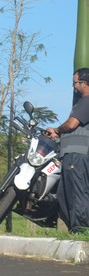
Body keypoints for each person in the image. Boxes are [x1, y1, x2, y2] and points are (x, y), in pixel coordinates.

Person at [45, 68, 89, 232]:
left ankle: (81, 229)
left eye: (75, 82)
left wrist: (57, 130)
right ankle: (75, 227)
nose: (73, 86)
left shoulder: (86, 101)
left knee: (77, 193)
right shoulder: (83, 101)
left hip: (78, 155)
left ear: (84, 83)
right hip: (73, 154)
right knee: (65, 194)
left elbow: (71, 125)